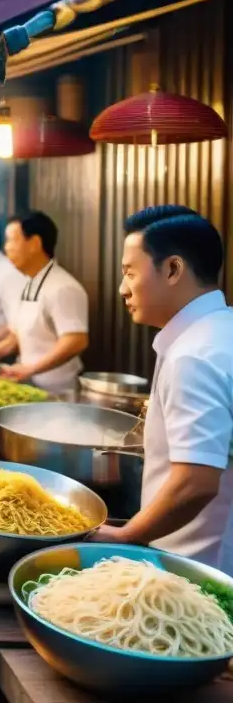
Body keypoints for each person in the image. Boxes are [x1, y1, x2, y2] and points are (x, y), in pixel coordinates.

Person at [95, 206, 233, 573]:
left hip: (195, 573)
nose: (123, 288)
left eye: (129, 273)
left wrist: (128, 535)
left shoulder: (194, 356)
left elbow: (196, 482)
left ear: (173, 269)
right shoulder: (219, 331)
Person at [0, 211, 89, 395]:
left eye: (11, 240)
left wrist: (30, 369)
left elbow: (75, 340)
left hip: (57, 393)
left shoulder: (63, 287)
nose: (6, 248)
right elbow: (19, 336)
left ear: (34, 243)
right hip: (31, 386)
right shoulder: (30, 282)